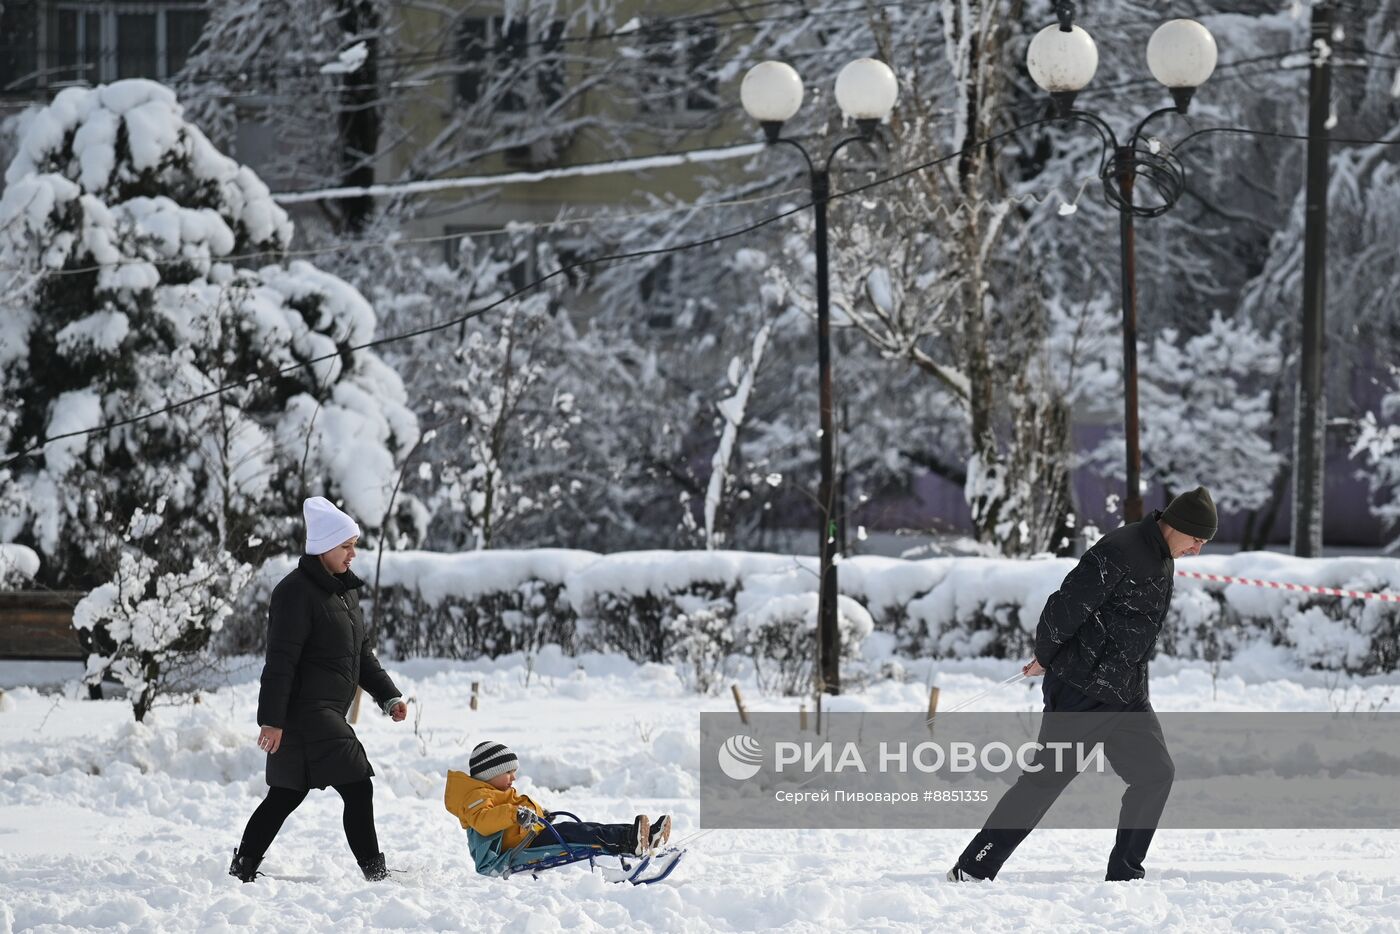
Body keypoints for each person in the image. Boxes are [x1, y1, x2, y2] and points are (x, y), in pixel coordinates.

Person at [946, 486, 1217, 883]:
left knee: (1155, 775)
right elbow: (1066, 605)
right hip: (1082, 691)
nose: (1196, 551)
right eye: (1196, 541)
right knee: (1044, 781)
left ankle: (1125, 876)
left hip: (1125, 693)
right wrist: (1047, 654)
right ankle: (973, 867)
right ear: (1176, 526)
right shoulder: (1121, 549)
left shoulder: (1162, 553)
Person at [229, 496, 409, 883]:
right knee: (358, 787)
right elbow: (281, 661)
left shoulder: (345, 593)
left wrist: (388, 695)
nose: (352, 554)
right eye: (346, 546)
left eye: (354, 546)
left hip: (321, 713)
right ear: (324, 546)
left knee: (286, 794)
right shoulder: (294, 592)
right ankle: (375, 875)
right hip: (306, 713)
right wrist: (272, 720)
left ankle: (242, 867)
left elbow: (361, 654)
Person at [444, 741, 673, 864]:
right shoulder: (477, 796)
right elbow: (483, 821)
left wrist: (542, 813)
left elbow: (517, 807)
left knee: (588, 827)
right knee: (577, 832)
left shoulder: (496, 790)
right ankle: (632, 841)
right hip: (520, 847)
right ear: (488, 774)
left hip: (531, 834)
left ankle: (642, 835)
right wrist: (515, 815)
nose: (513, 778)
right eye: (508, 773)